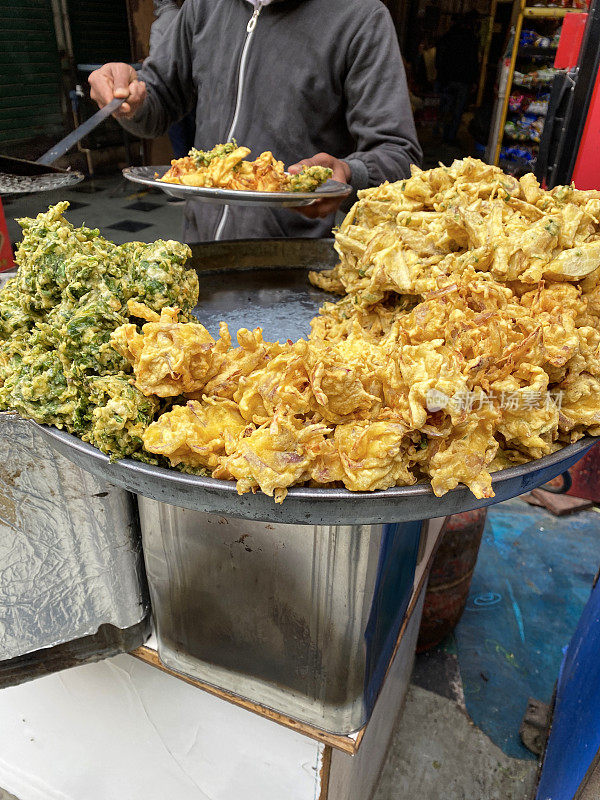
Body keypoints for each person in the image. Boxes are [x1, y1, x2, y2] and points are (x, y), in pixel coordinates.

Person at [89, 0, 421, 243]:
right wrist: (129, 100)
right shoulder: (204, 7)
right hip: (200, 250)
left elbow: (397, 154)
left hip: (292, 264)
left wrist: (350, 174)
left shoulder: (360, 17)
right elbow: (160, 99)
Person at [149, 0, 196, 159]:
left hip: (174, 93)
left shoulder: (159, 25)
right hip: (195, 92)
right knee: (197, 143)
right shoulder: (187, 16)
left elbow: (158, 62)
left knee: (181, 147)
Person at [435, 13, 480, 145]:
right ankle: (450, 136)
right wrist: (473, 80)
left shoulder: (447, 37)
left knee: (445, 107)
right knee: (457, 110)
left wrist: (440, 75)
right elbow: (474, 62)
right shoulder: (471, 39)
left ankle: (440, 133)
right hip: (463, 81)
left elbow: (439, 59)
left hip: (447, 79)